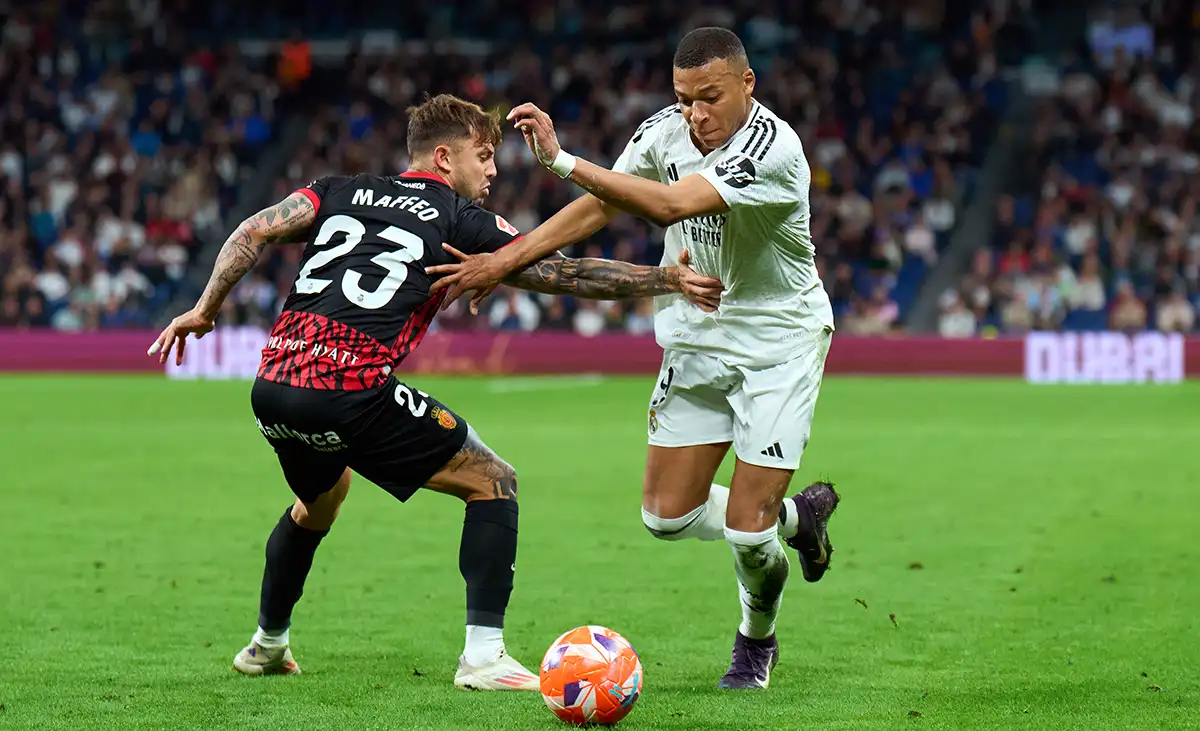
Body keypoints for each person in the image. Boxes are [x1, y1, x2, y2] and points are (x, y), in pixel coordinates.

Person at [147, 94, 721, 690]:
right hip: (350, 388)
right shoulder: (457, 217)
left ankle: (267, 644)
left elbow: (252, 230)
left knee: (320, 502)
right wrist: (668, 278)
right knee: (493, 480)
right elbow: (564, 273)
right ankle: (484, 658)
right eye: (484, 156)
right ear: (445, 159)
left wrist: (203, 310)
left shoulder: (336, 189)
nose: (493, 171)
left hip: (274, 385)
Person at [425, 28, 840, 690]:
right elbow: (602, 203)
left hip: (777, 343)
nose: (696, 114)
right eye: (684, 98)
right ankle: (799, 516)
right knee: (665, 515)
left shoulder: (774, 148)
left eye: (710, 97)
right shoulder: (663, 132)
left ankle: (755, 643)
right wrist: (506, 259)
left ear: (746, 84)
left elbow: (673, 203)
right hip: (697, 335)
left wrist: (562, 160)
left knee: (745, 535)